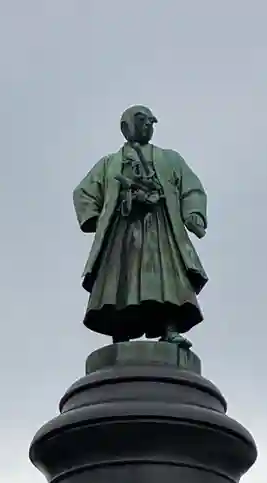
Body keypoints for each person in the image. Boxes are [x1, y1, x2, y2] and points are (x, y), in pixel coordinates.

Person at [73, 105, 208, 349]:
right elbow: (84, 192)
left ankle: (170, 328)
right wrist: (94, 216)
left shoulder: (169, 159)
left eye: (150, 122)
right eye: (142, 121)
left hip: (161, 228)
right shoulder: (110, 163)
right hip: (123, 230)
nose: (148, 125)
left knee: (167, 278)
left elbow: (191, 187)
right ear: (127, 127)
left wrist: (194, 213)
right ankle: (120, 332)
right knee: (120, 279)